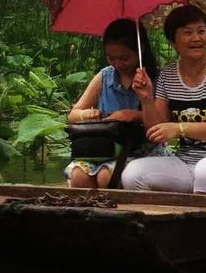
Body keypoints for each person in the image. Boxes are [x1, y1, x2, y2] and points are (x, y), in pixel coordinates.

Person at [122, 5, 206, 199]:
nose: (197, 38)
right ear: (172, 41)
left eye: (201, 31)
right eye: (187, 33)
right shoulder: (168, 76)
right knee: (132, 173)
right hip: (186, 164)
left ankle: (204, 225)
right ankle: (162, 222)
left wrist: (180, 128)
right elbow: (158, 132)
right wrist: (146, 99)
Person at [65, 18, 159, 188]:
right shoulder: (104, 76)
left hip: (139, 150)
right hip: (102, 149)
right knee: (79, 177)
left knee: (106, 177)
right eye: (111, 58)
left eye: (124, 58)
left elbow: (162, 123)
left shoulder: (156, 78)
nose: (118, 64)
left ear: (140, 50)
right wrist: (86, 114)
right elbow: (73, 115)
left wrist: (136, 115)